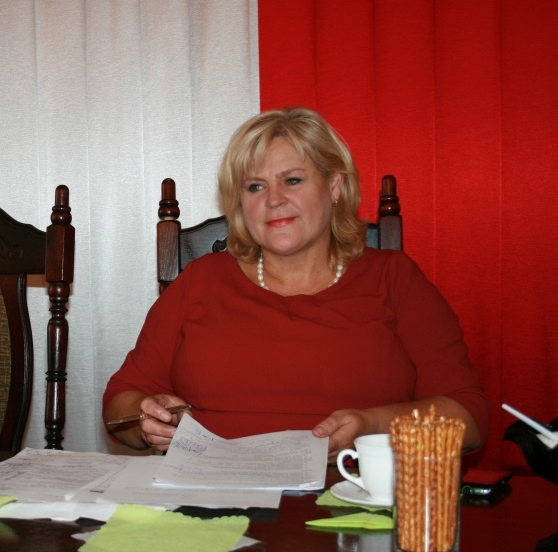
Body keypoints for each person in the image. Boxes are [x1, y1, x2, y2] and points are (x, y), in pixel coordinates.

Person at [103, 107, 488, 455]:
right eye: (255, 187)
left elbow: (469, 418)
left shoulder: (394, 279)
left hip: (347, 492)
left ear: (334, 186)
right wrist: (148, 418)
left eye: (292, 180)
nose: (273, 200)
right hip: (214, 493)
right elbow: (120, 404)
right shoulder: (201, 280)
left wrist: (373, 425)